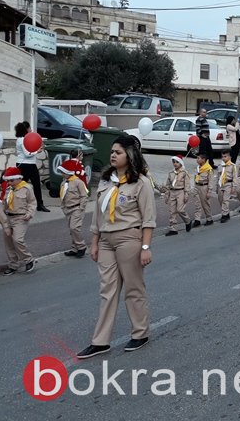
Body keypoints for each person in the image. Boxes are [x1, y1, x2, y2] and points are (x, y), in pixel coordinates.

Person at [77, 135, 156, 359]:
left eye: (118, 152)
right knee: (107, 291)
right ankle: (100, 341)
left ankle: (140, 332)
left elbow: (148, 219)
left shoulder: (140, 183)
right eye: (112, 151)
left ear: (130, 156)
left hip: (128, 239)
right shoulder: (106, 181)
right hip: (105, 241)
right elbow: (98, 216)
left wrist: (145, 247)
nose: (113, 155)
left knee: (133, 288)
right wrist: (94, 242)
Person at [0, 166, 36, 274]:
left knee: (17, 240)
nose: (9, 182)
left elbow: (32, 203)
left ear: (19, 178)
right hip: (8, 217)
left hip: (20, 218)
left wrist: (29, 214)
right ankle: (13, 265)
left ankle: (28, 260)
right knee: (8, 242)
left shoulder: (27, 188)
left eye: (11, 180)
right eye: (7, 180)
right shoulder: (9, 188)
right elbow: (4, 203)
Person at [14, 123, 50, 212]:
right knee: (22, 186)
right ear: (25, 129)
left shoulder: (25, 139)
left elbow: (31, 148)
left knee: (36, 184)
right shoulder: (22, 140)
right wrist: (37, 151)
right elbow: (27, 154)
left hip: (29, 164)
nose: (31, 129)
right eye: (29, 127)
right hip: (25, 165)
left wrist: (38, 148)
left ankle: (39, 204)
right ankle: (19, 204)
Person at [58, 159, 89, 257]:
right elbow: (63, 196)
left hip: (76, 208)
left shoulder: (78, 182)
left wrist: (81, 208)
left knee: (74, 228)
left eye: (63, 172)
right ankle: (74, 248)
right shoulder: (64, 183)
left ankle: (81, 246)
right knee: (72, 230)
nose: (62, 174)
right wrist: (63, 207)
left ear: (68, 172)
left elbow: (84, 196)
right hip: (68, 209)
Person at [161, 155, 192, 236]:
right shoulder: (171, 173)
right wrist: (166, 195)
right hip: (172, 192)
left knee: (180, 209)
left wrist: (186, 194)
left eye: (177, 162)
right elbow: (168, 185)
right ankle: (173, 228)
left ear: (181, 163)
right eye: (174, 162)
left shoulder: (184, 173)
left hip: (180, 192)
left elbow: (187, 185)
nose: (175, 164)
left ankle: (188, 221)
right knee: (172, 211)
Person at [192, 153, 214, 227]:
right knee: (197, 204)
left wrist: (209, 191)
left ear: (203, 160)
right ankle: (197, 220)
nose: (197, 160)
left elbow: (211, 181)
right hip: (197, 186)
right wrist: (194, 187)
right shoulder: (198, 168)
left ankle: (209, 219)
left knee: (205, 204)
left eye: (198, 158)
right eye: (197, 158)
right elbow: (195, 178)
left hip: (204, 187)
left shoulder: (209, 169)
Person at [217, 149, 236, 222]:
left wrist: (234, 186)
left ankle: (224, 215)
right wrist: (216, 187)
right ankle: (226, 212)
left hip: (228, 184)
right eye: (222, 157)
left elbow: (235, 177)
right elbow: (218, 176)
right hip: (220, 184)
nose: (223, 158)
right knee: (220, 199)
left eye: (225, 156)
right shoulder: (220, 165)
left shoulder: (232, 166)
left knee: (226, 200)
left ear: (229, 157)